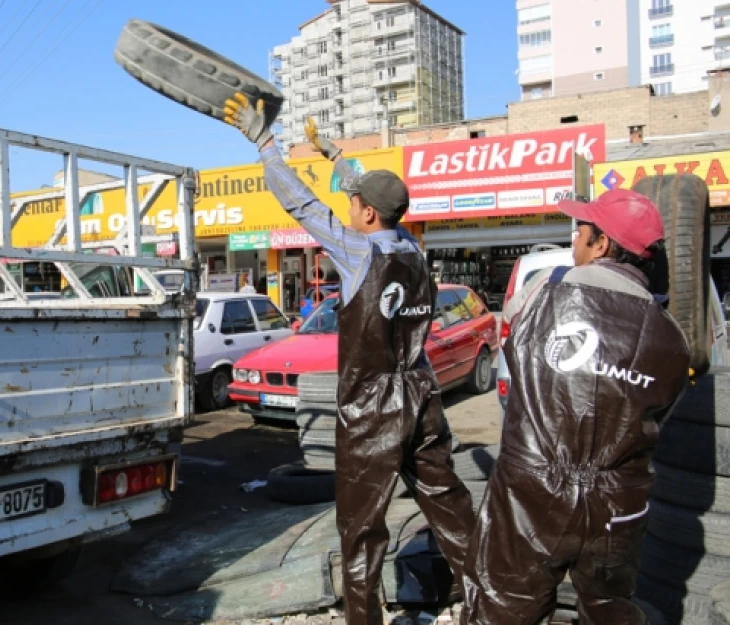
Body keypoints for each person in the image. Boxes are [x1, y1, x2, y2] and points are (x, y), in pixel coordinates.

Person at [223, 93, 476, 625]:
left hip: (373, 406)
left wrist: (266, 143)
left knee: (361, 531)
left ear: (365, 213)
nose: (349, 207)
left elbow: (302, 205)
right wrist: (338, 158)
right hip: (422, 394)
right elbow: (376, 201)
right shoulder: (413, 249)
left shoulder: (360, 252)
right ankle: (493, 606)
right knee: (449, 510)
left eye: (354, 202)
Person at [459, 189, 691, 625]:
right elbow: (657, 420)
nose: (575, 241)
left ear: (601, 244)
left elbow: (514, 346)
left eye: (581, 231)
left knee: (503, 606)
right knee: (608, 612)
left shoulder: (543, 290)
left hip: (531, 494)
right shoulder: (672, 338)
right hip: (619, 507)